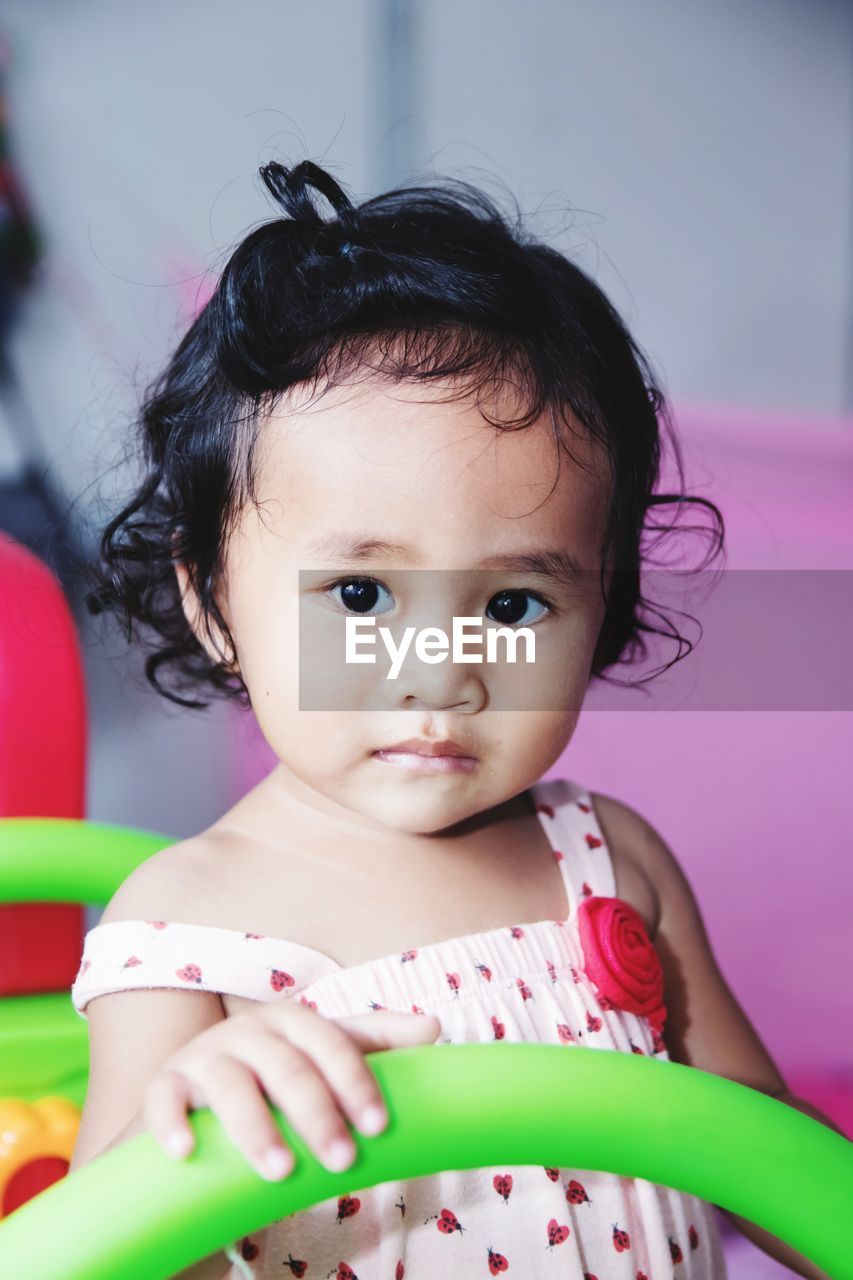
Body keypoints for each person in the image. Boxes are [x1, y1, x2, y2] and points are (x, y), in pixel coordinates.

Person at [68, 159, 838, 1280]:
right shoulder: (185, 928)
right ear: (213, 603)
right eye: (362, 595)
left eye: (514, 603)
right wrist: (186, 1135)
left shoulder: (610, 859)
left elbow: (763, 1146)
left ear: (602, 599)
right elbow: (92, 1249)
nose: (439, 670)